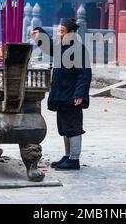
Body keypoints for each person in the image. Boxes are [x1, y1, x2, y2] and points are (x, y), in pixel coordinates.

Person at [30, 18, 92, 170]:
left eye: (62, 32)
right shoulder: (61, 47)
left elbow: (85, 74)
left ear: (71, 33)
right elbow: (49, 46)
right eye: (58, 31)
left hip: (72, 96)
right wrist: (40, 35)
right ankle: (67, 156)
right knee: (64, 127)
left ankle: (74, 159)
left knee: (73, 127)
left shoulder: (79, 49)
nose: (59, 34)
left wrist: (79, 95)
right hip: (62, 95)